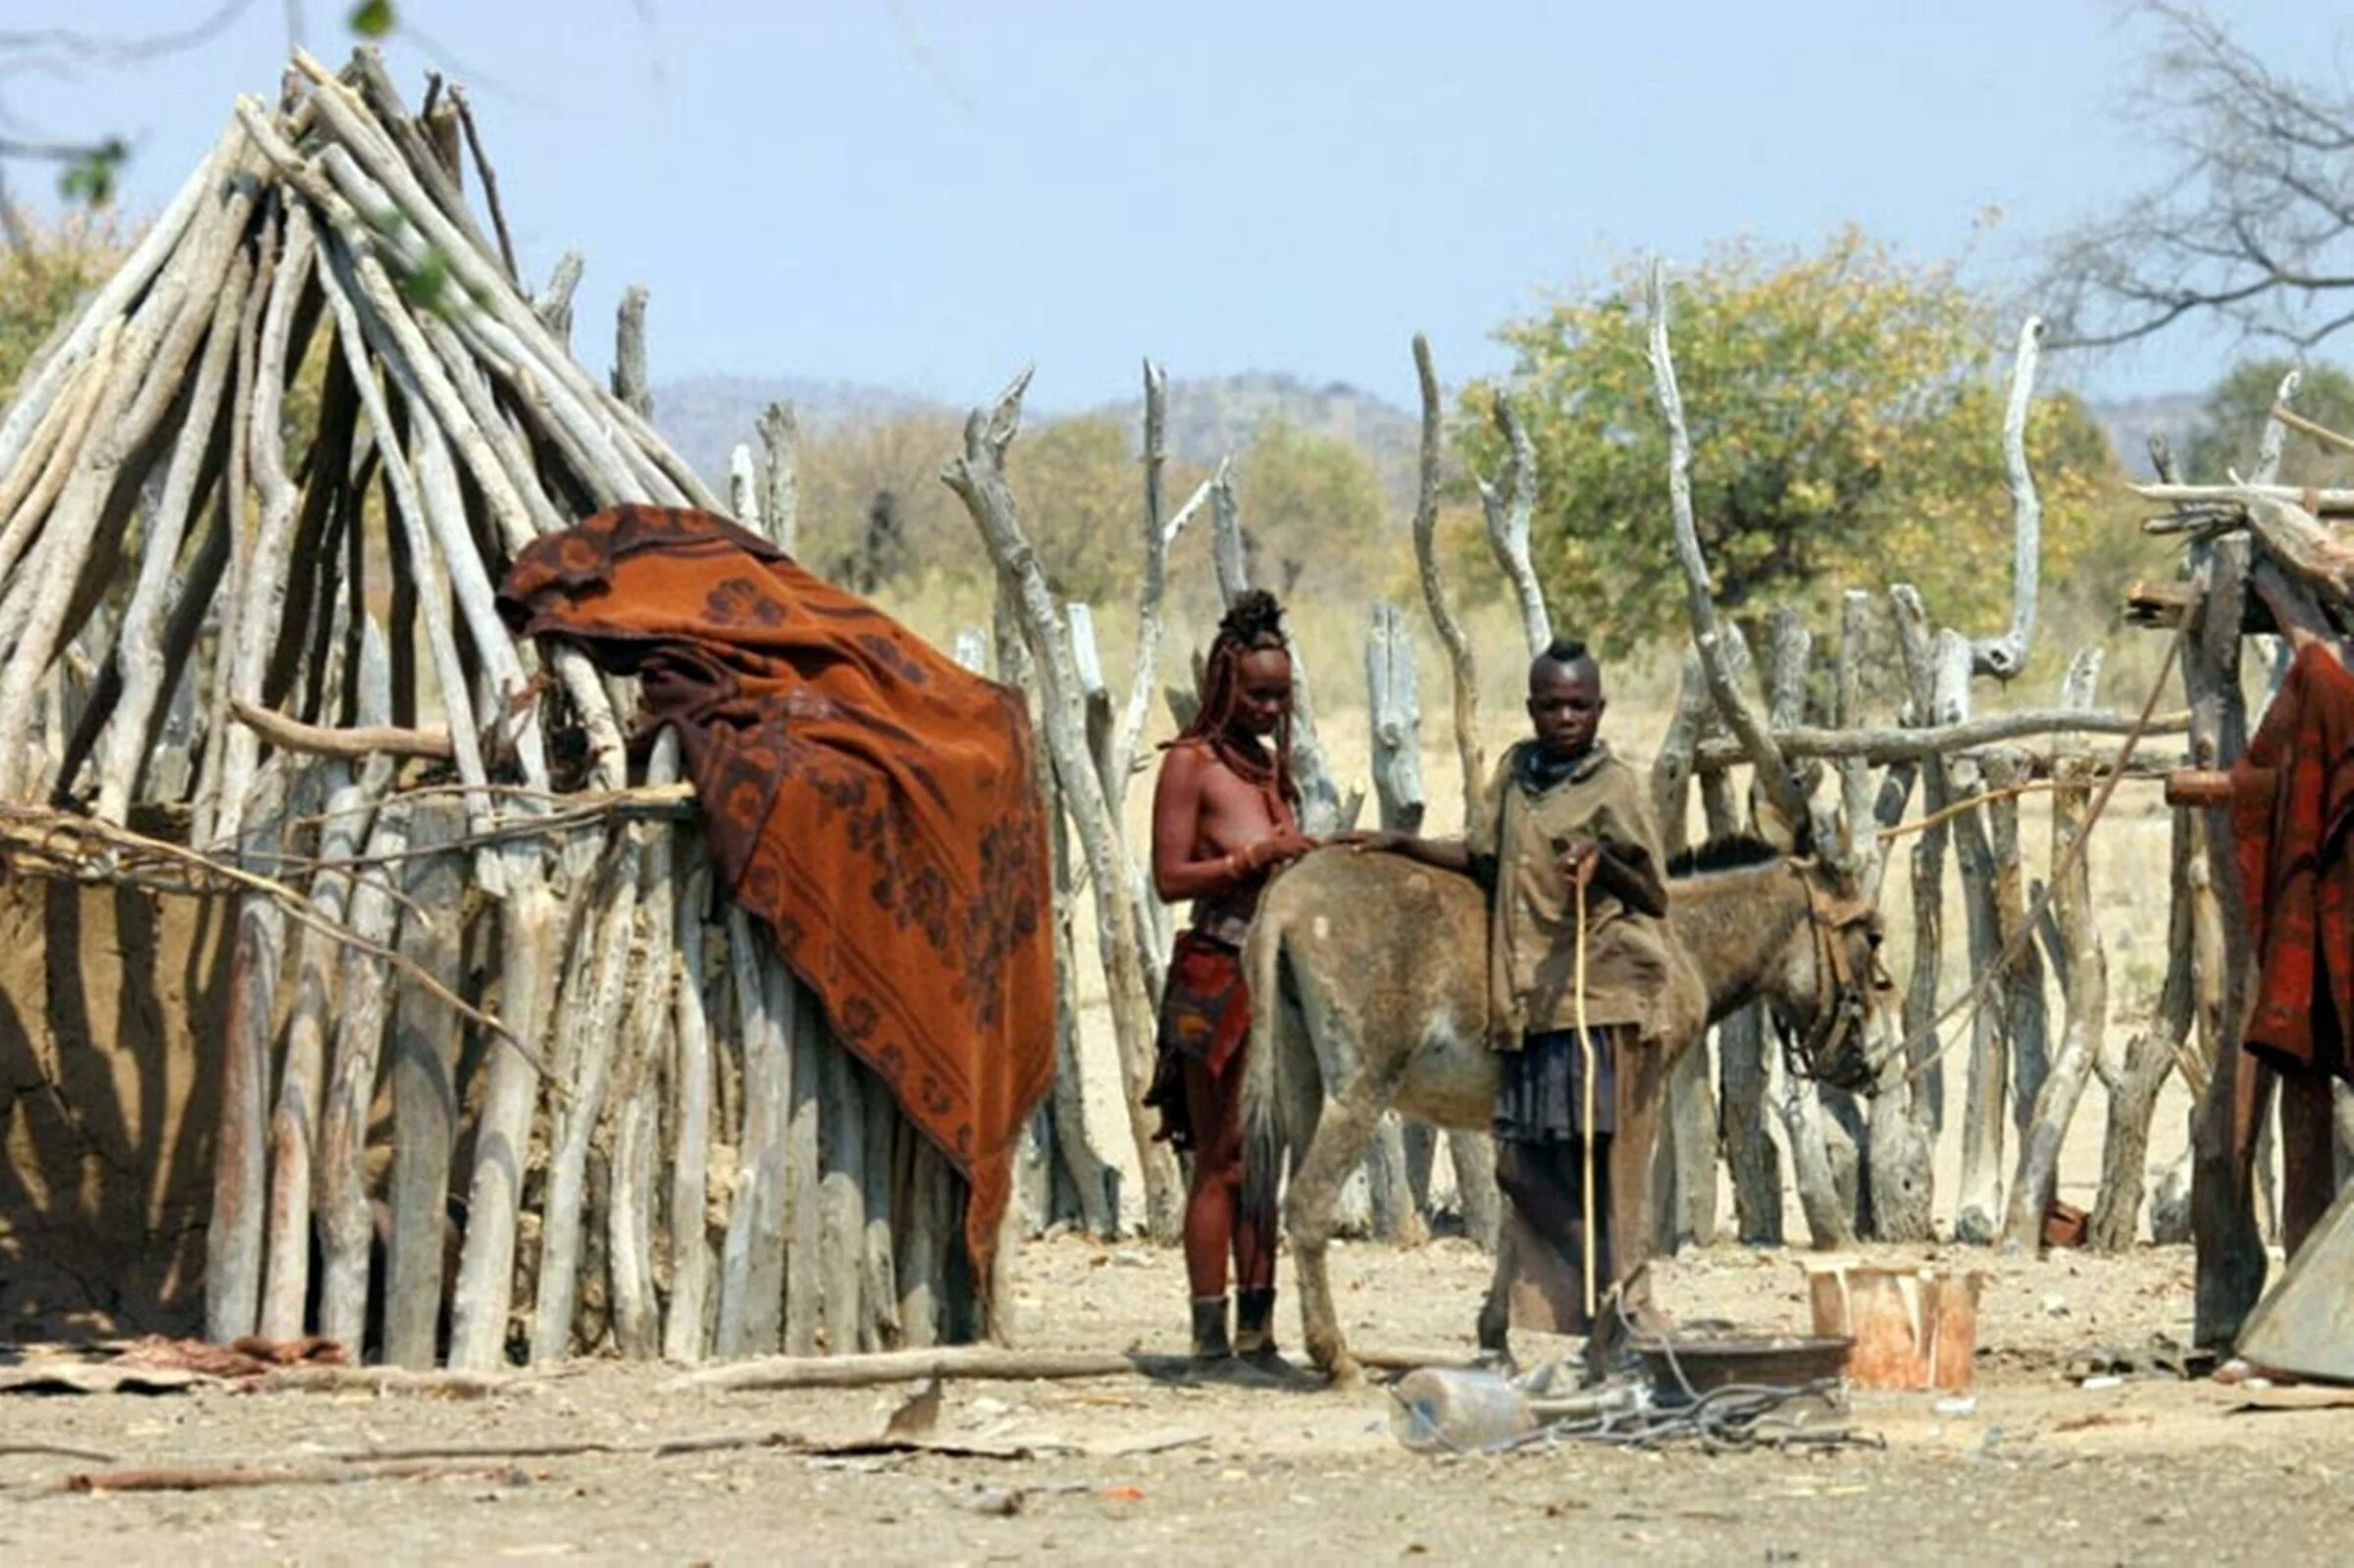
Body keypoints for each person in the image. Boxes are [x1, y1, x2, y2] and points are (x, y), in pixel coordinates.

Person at [1350, 637, 1670, 1340]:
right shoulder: (1517, 775)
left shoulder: (1615, 786)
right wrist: (1404, 844)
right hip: (1527, 999)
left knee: (1591, 1160)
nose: (1564, 717)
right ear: (1531, 707)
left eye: (1578, 705)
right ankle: (1587, 1299)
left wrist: (1603, 861)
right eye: (1551, 704)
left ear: (1599, 709)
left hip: (1596, 997)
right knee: (1523, 1166)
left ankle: (1620, 1300)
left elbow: (1653, 892)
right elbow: (1484, 859)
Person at [1144, 590, 1317, 1363]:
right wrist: (1251, 859)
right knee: (1219, 1154)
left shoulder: (1274, 770)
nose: (1269, 707)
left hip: (1276, 979)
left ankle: (1260, 1329)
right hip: (1216, 975)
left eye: (1281, 694)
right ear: (1223, 682)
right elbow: (1169, 876)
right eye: (1256, 692)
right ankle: (1209, 1337)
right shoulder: (1192, 763)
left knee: (1265, 1157)